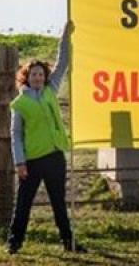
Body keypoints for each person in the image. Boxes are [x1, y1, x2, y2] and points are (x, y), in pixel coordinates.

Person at [6, 21, 86, 254]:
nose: (38, 77)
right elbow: (16, 134)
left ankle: (68, 242)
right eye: (34, 74)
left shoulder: (51, 90)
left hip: (54, 157)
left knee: (59, 204)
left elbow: (63, 62)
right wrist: (19, 162)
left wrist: (65, 35)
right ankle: (14, 242)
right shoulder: (19, 104)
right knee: (23, 204)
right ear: (26, 77)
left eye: (41, 74)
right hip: (31, 161)